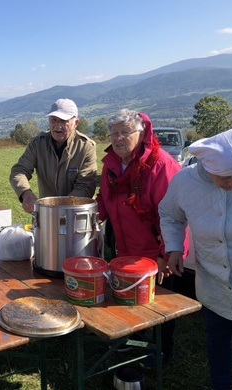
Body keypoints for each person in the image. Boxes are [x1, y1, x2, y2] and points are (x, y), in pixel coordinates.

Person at [159, 126, 232, 390]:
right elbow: (169, 214)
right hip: (213, 278)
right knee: (217, 338)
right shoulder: (185, 181)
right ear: (207, 167)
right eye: (225, 178)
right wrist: (175, 248)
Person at [95, 109, 187, 366]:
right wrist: (90, 217)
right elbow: (105, 198)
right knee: (128, 296)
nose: (118, 138)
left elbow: (175, 215)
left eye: (125, 132)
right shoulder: (112, 165)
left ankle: (161, 350)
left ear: (142, 133)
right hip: (125, 246)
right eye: (114, 133)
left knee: (160, 304)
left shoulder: (160, 164)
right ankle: (132, 340)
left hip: (156, 248)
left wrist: (166, 254)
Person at [9, 98, 97, 213]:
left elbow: (86, 185)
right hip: (46, 215)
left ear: (76, 123)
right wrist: (25, 193)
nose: (57, 126)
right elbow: (19, 170)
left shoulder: (86, 147)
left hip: (75, 214)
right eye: (53, 120)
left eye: (63, 121)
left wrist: (62, 208)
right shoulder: (37, 144)